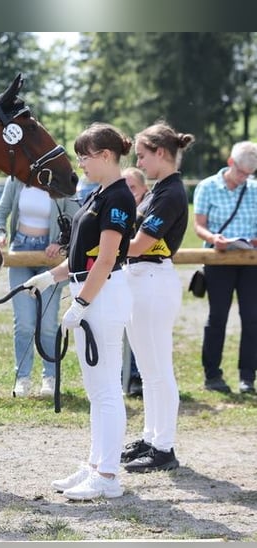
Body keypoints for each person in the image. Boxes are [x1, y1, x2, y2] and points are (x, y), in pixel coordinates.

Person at [24, 123, 136, 501]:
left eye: (85, 156)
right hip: (90, 291)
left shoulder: (118, 198)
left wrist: (82, 303)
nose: (81, 164)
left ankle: (108, 475)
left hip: (102, 295)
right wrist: (50, 277)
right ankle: (95, 465)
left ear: (106, 156)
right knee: (96, 389)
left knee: (106, 390)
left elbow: (106, 260)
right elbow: (79, 256)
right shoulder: (96, 194)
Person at [120, 121, 195, 474]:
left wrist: (105, 248)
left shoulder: (171, 193)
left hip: (152, 277)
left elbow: (140, 244)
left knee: (159, 369)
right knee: (149, 371)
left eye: (142, 156)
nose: (140, 162)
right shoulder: (157, 190)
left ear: (160, 153)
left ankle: (164, 447)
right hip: (141, 279)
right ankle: (151, 438)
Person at [0, 176, 80, 397]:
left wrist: (60, 242)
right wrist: (0, 233)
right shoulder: (17, 180)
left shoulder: (62, 180)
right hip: (20, 250)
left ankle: (49, 377)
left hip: (50, 257)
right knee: (23, 323)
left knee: (48, 323)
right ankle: (22, 378)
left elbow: (74, 219)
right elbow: (0, 213)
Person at [192, 141, 257, 394]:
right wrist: (213, 239)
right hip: (218, 259)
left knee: (252, 319)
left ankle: (247, 377)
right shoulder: (207, 187)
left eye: (249, 174)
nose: (244, 178)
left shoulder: (254, 189)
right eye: (241, 172)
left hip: (250, 261)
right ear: (231, 163)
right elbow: (199, 226)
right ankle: (212, 374)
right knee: (217, 317)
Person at [121, 166, 151, 398]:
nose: (129, 192)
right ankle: (125, 374)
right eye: (125, 187)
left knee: (140, 327)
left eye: (133, 187)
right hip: (119, 273)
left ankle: (137, 376)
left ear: (144, 189)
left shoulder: (146, 212)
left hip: (142, 273)